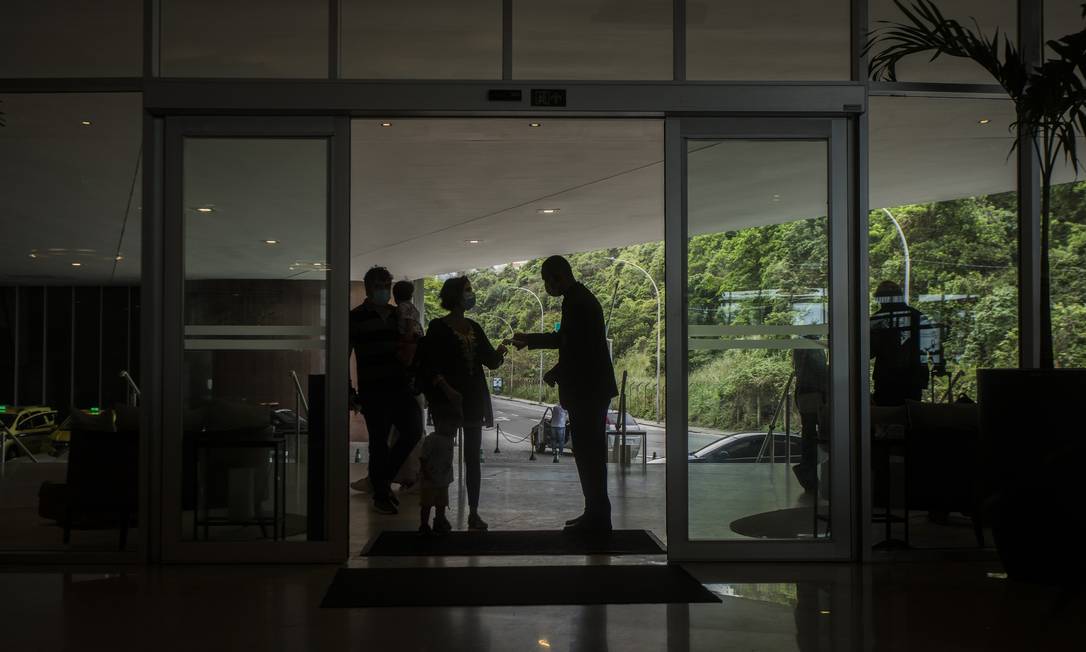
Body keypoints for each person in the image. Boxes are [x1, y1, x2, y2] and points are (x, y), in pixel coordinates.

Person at [507, 255, 618, 534]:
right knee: (589, 454)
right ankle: (595, 514)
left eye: (548, 281)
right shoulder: (579, 298)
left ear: (559, 277)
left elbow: (576, 349)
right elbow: (569, 342)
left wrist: (555, 372)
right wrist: (530, 340)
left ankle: (597, 517)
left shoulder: (577, 302)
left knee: (589, 454)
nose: (547, 287)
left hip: (588, 390)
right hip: (592, 389)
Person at [417, 276, 507, 531]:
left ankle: (474, 513)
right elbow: (429, 364)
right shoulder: (438, 327)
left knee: (473, 459)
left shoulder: (474, 327)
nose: (471, 294)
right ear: (456, 295)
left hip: (473, 399)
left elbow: (490, 360)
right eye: (468, 290)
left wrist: (501, 351)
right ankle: (438, 514)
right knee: (442, 458)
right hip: (446, 401)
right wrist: (446, 388)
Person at [349, 265, 423, 515]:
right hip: (373, 389)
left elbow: (411, 344)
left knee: (413, 430)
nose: (383, 291)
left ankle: (381, 482)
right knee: (378, 443)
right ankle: (381, 494)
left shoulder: (397, 315)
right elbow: (344, 352)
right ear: (368, 289)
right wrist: (349, 391)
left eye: (386, 286)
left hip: (400, 386)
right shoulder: (355, 317)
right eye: (379, 287)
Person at [870, 280, 930, 407]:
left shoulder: (877, 320)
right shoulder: (917, 316)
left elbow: (869, 352)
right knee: (910, 415)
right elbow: (932, 344)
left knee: (888, 415)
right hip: (913, 379)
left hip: (886, 380)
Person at [791, 337, 828, 493]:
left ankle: (808, 474)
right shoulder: (812, 348)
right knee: (815, 436)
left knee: (809, 436)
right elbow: (820, 371)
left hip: (805, 394)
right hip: (813, 394)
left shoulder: (800, 348)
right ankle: (808, 473)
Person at [417, 427, 454, 535]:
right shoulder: (432, 439)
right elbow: (423, 458)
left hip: (442, 479)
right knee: (427, 504)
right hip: (430, 479)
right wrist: (426, 473)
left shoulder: (449, 439)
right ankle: (425, 525)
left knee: (441, 503)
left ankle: (439, 521)